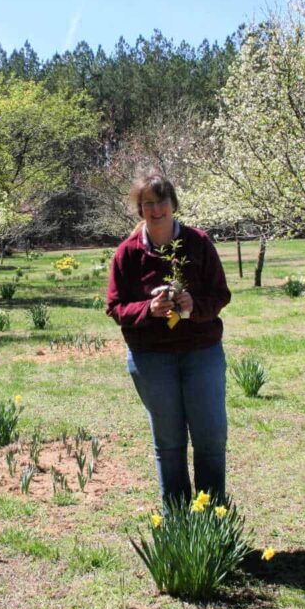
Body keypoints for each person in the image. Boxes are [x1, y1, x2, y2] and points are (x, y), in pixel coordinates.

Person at [105, 170, 232, 505]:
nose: (156, 209)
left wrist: (194, 306)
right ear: (140, 209)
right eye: (148, 203)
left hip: (201, 352)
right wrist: (148, 310)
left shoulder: (198, 243)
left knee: (211, 438)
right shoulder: (128, 254)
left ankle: (212, 517)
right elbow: (115, 307)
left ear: (173, 204)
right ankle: (177, 524)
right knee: (169, 443)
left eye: (162, 201)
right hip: (152, 358)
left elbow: (221, 295)